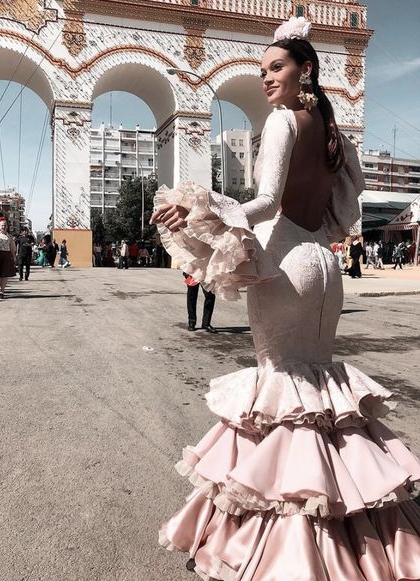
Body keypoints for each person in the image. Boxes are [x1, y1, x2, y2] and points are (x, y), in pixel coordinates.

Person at [151, 17, 420, 579]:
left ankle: (290, 548)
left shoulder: (281, 122)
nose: (266, 79)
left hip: (287, 267)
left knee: (282, 397)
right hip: (325, 268)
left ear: (305, 70)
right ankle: (364, 539)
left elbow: (268, 201)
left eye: (277, 68)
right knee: (323, 395)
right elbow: (344, 212)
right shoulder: (332, 133)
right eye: (263, 70)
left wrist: (200, 209)